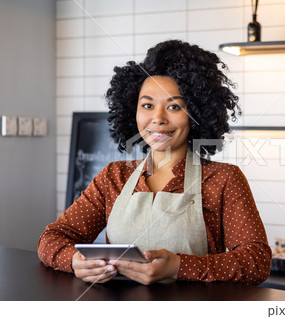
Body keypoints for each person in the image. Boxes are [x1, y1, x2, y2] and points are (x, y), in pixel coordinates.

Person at [38, 40, 271, 285]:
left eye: (174, 106)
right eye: (147, 105)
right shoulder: (113, 176)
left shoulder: (223, 179)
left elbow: (256, 261)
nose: (158, 118)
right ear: (132, 111)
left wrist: (180, 266)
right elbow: (52, 237)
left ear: (197, 114)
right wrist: (75, 261)